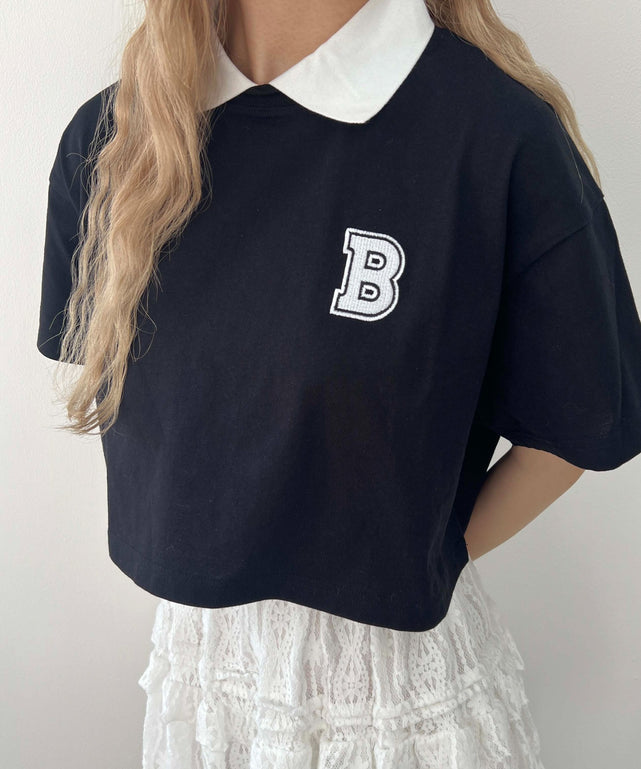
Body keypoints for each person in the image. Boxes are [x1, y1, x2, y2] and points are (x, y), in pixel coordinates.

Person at [36, 0, 641, 766]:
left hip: (392, 695)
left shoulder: (493, 136)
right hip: (202, 679)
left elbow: (579, 423)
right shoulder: (116, 134)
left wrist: (420, 553)